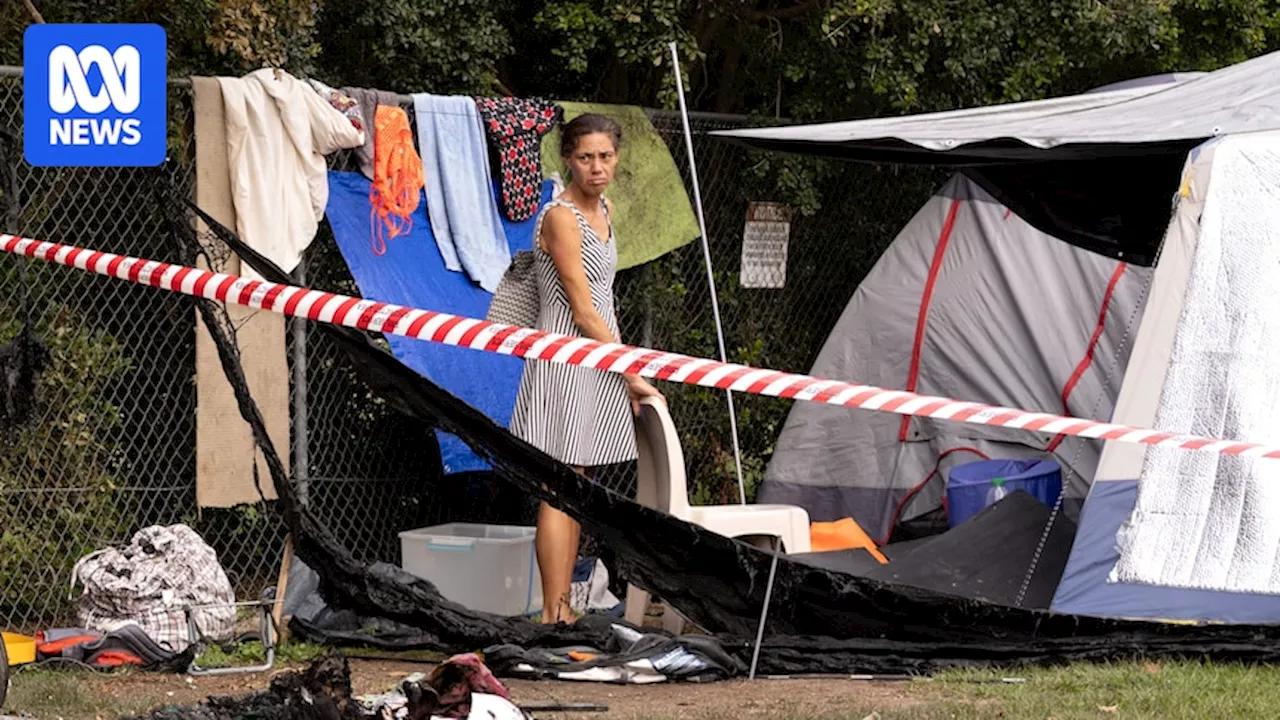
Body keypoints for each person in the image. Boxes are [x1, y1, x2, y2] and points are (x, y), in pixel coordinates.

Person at [508, 113, 665, 624]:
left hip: (598, 359)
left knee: (579, 482)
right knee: (560, 483)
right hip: (566, 359)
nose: (597, 167)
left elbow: (605, 299)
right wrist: (632, 374)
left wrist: (619, 367)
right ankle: (555, 615)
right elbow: (582, 309)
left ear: (617, 157)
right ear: (568, 160)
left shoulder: (607, 210)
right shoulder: (560, 217)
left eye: (605, 156)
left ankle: (565, 610)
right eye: (585, 158)